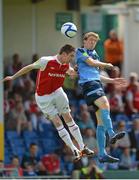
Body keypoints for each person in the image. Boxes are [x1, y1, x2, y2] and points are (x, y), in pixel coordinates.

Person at [2, 44, 94, 161]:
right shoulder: (46, 61)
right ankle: (74, 150)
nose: (72, 58)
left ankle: (82, 147)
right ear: (64, 54)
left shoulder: (66, 64)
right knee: (57, 122)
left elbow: (71, 73)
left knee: (69, 118)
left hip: (58, 92)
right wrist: (13, 77)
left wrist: (78, 70)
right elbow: (29, 67)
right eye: (70, 56)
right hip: (43, 97)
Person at [75, 32, 126, 163]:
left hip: (95, 83)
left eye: (94, 41)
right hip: (89, 85)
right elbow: (91, 63)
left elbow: (96, 75)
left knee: (100, 122)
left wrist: (113, 80)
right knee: (105, 104)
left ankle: (102, 154)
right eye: (90, 40)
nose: (92, 42)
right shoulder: (81, 51)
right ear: (84, 40)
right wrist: (106, 65)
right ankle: (112, 133)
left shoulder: (94, 54)